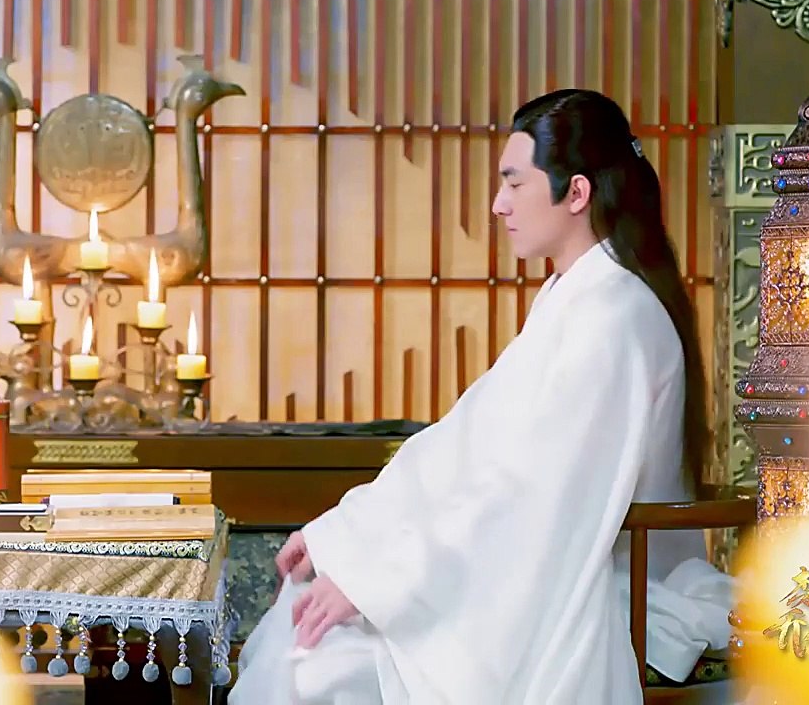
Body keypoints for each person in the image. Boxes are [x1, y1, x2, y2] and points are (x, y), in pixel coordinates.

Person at [228, 89, 735, 704]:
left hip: (592, 580)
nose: (499, 204)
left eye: (514, 183)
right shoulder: (573, 298)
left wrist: (380, 581)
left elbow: (533, 491)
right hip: (529, 561)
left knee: (324, 668)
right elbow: (461, 443)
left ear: (576, 193)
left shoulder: (615, 315)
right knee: (309, 628)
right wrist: (347, 533)